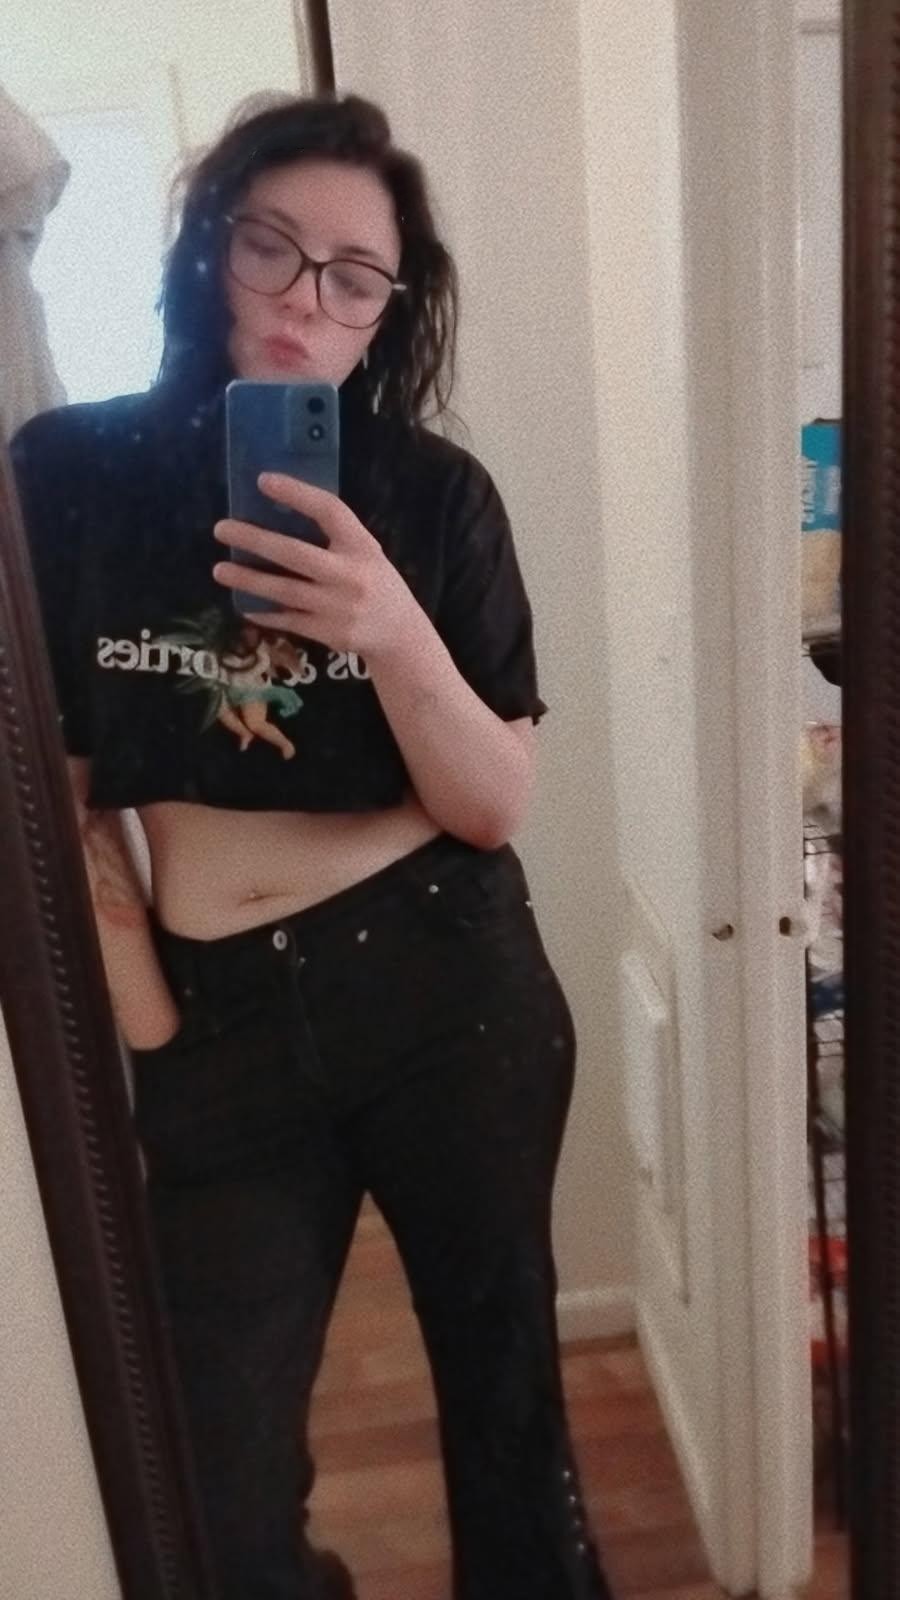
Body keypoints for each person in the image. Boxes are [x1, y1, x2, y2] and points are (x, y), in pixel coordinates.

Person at [11, 92, 614, 1600]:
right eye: (270, 247)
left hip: (444, 987)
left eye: (354, 277)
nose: (303, 301)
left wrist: (390, 627)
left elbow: (494, 801)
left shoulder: (433, 496)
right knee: (210, 1480)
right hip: (214, 1016)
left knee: (507, 1407)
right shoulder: (69, 472)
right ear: (210, 251)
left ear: (390, 307)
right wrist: (156, 1024)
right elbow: (51, 790)